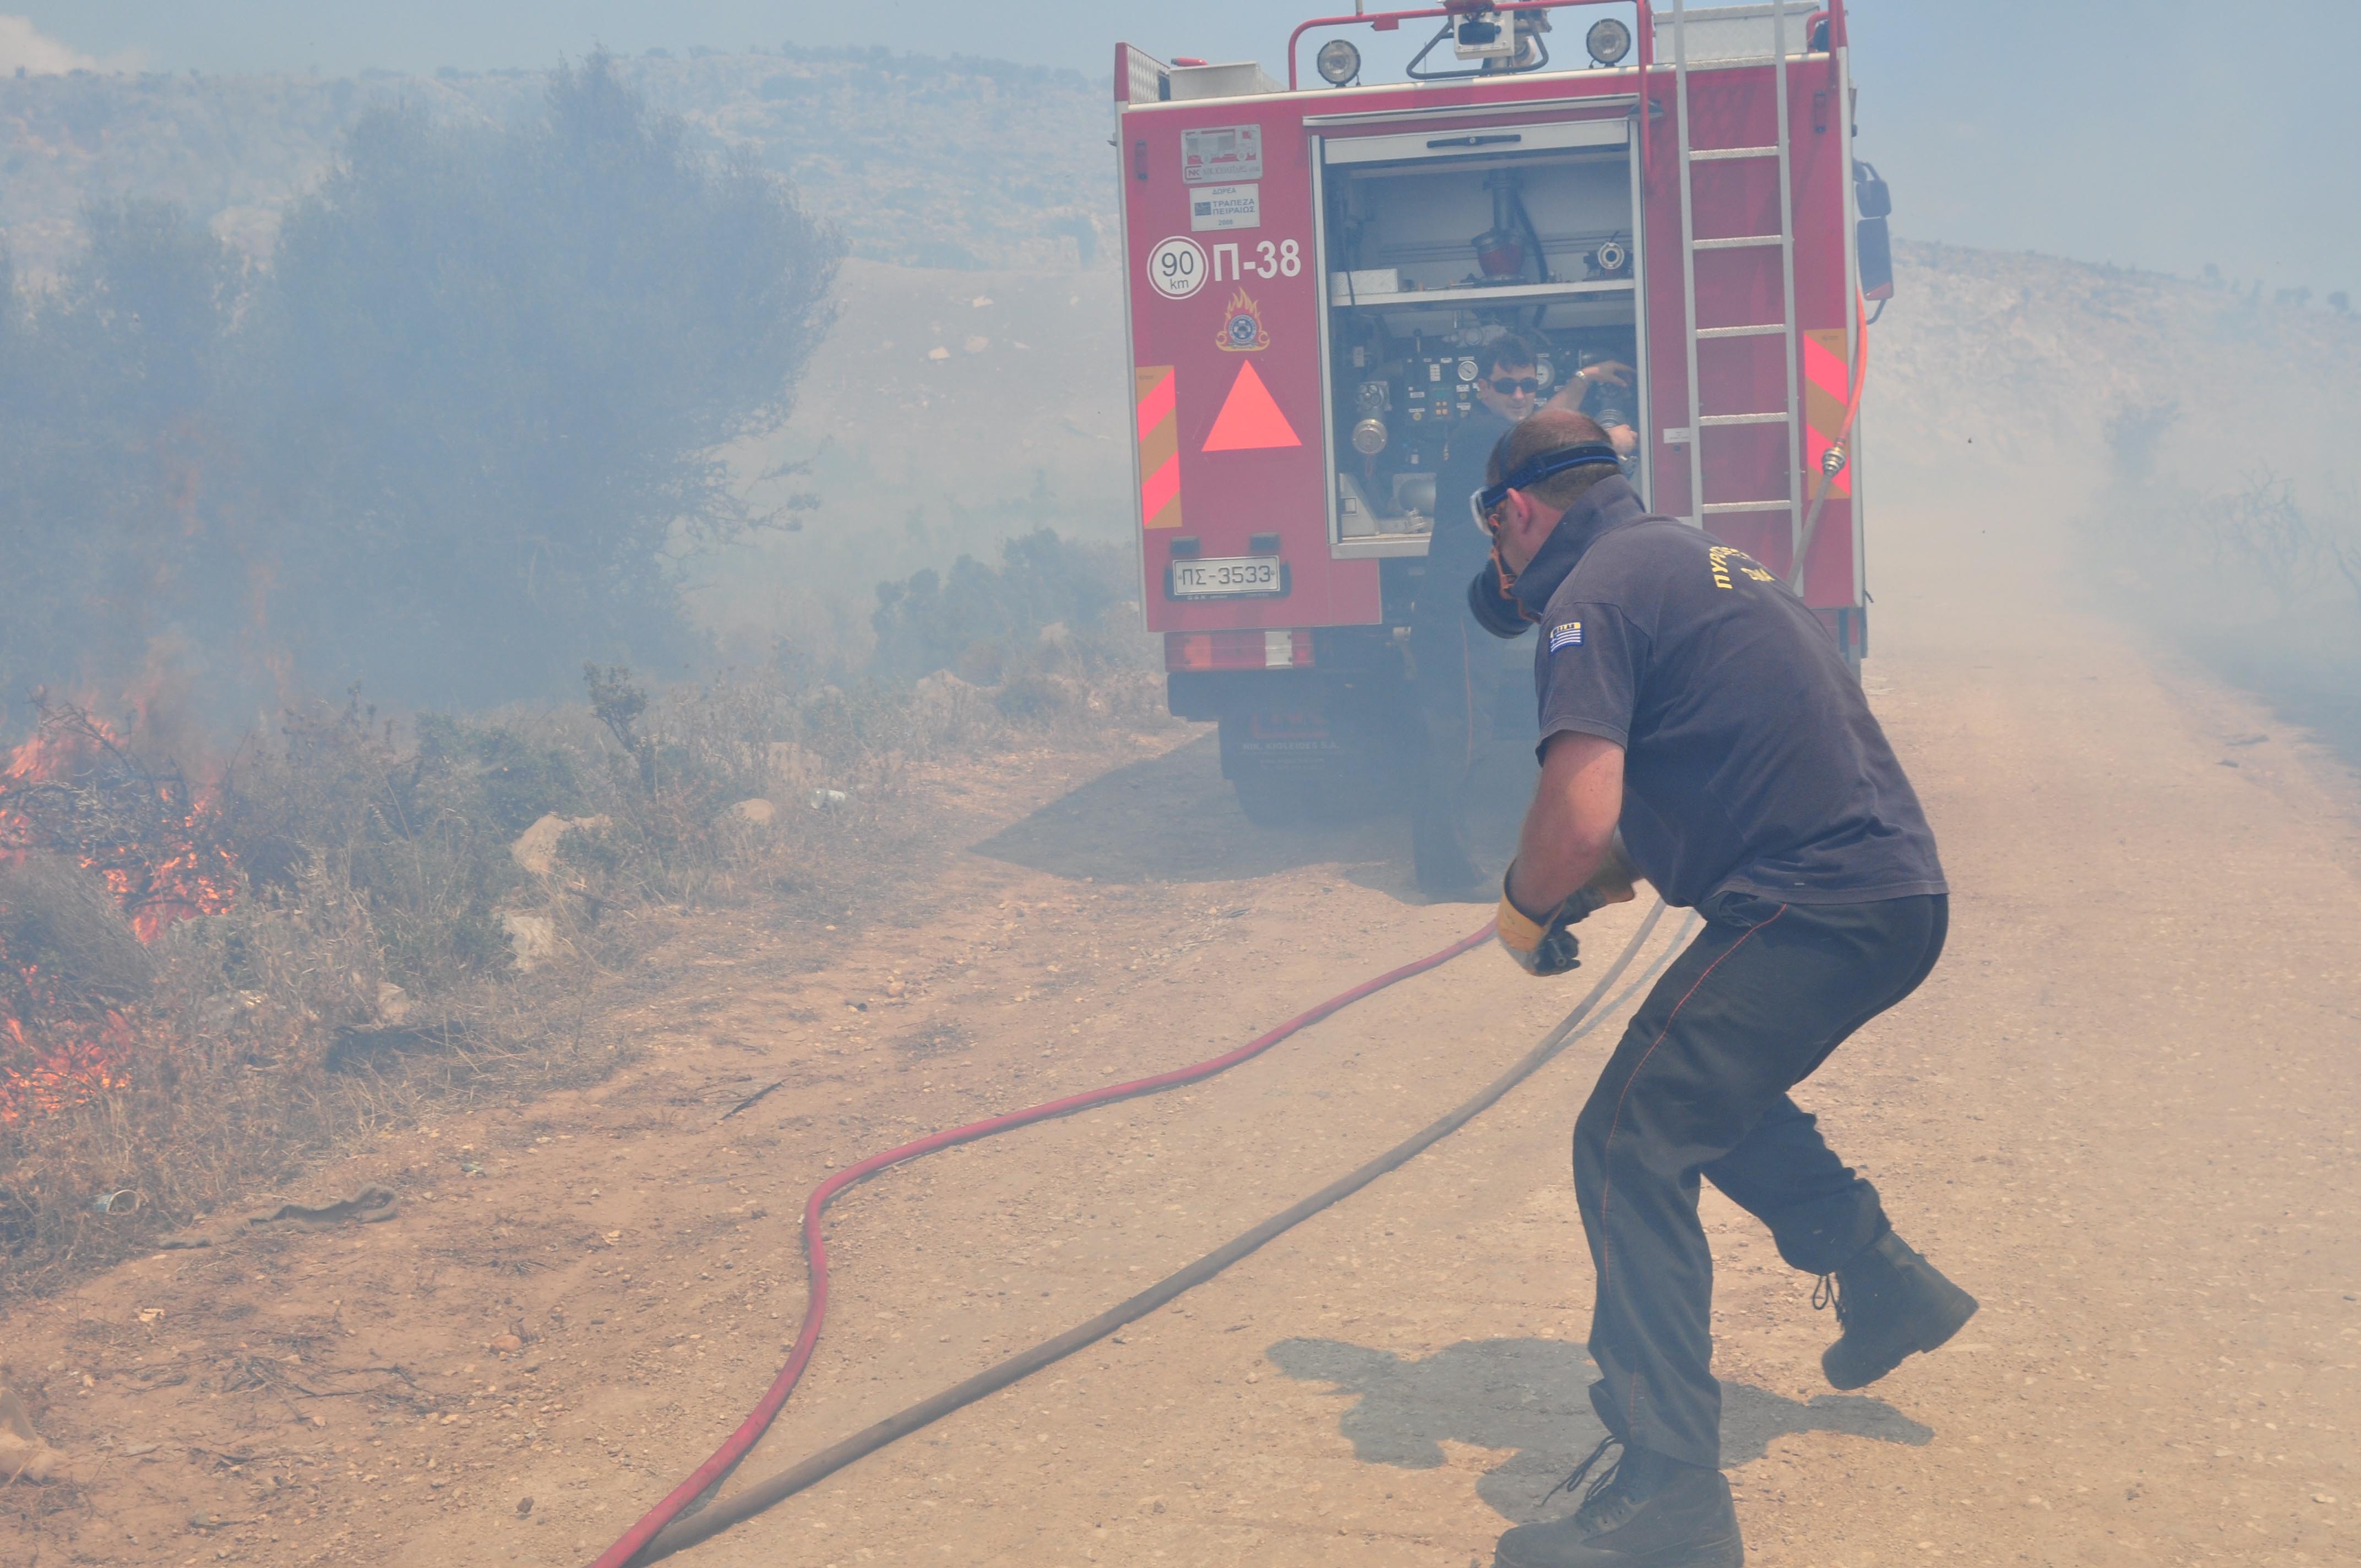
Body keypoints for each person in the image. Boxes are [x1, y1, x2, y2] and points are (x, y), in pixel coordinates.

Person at [1466, 409, 1978, 1568]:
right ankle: (1880, 1276)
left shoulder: (1586, 595)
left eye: (1497, 548)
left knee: (1624, 1139)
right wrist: (1579, 894)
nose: (1507, 579)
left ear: (1513, 511)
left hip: (1812, 899)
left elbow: (1579, 809)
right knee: (1701, 1092)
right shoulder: (1690, 558)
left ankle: (1670, 1500)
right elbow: (1693, 785)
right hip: (1886, 893)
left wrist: (1524, 902)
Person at [1407, 332, 1583, 897]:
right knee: (1459, 737)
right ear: (1482, 387)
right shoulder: (1485, 433)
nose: (1518, 394)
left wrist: (1583, 381)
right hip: (1455, 612)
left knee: (1463, 733)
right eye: (1507, 385)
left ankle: (1443, 863)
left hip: (1464, 608)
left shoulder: (1494, 432)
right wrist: (1613, 436)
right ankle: (1446, 873)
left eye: (1527, 385)